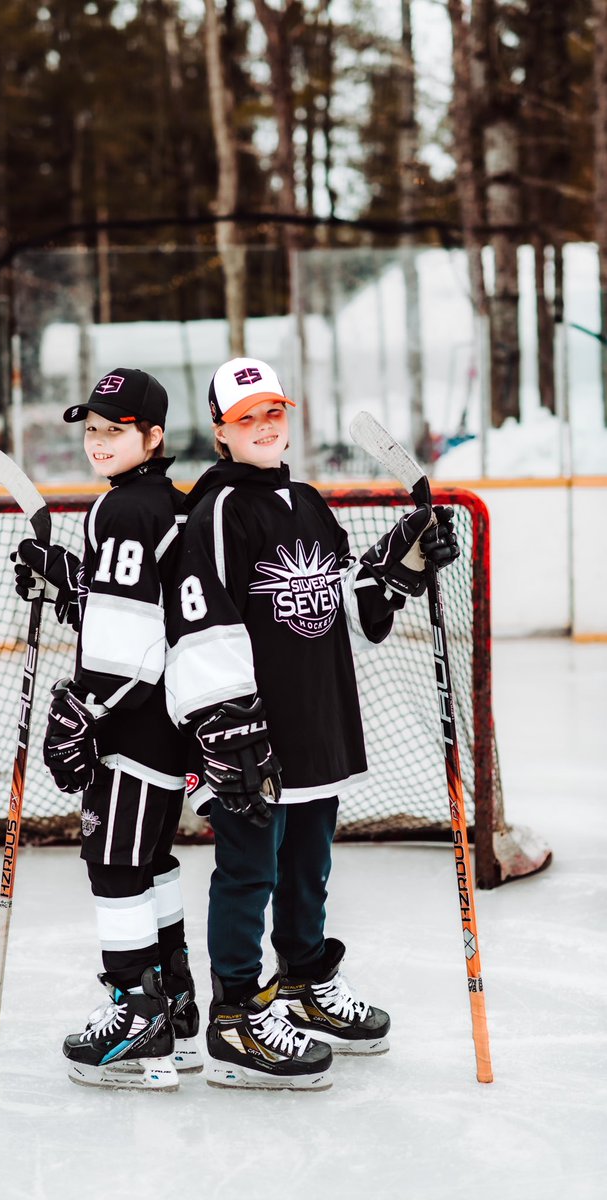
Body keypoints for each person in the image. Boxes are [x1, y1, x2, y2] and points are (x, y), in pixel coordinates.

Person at [165, 357, 459, 1090]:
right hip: (251, 739)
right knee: (247, 873)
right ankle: (235, 1015)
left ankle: (301, 981)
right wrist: (227, 730)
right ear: (220, 433)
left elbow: (343, 617)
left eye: (273, 413)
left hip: (317, 724)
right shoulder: (218, 511)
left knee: (307, 869)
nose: (264, 427)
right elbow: (200, 625)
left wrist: (399, 564)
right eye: (246, 419)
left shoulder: (305, 500)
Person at [12, 368, 198, 1092]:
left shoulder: (120, 511)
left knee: (113, 864)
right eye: (91, 429)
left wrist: (84, 711)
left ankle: (136, 1020)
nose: (98, 442)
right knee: (149, 859)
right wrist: (66, 577)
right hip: (173, 722)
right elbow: (136, 602)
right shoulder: (166, 507)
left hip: (132, 723)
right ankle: (175, 1008)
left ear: (152, 437)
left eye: (114, 430)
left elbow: (129, 644)